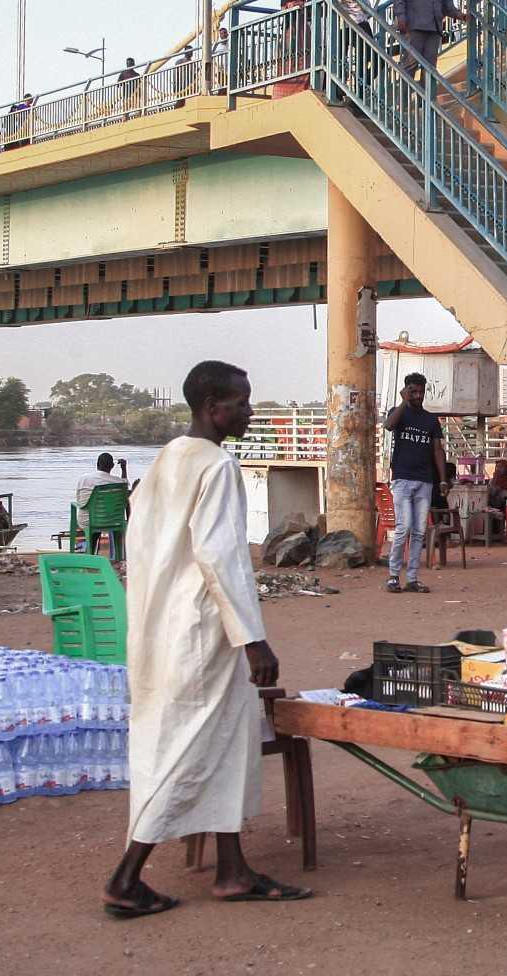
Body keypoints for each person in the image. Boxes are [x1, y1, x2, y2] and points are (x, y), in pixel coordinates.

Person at [105, 359, 306, 917]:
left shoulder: (167, 459)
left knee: (222, 742)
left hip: (161, 627)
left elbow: (142, 548)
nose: (249, 410)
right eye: (242, 402)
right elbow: (221, 558)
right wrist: (253, 640)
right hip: (202, 630)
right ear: (213, 408)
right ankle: (126, 877)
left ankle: (232, 869)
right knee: (188, 748)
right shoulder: (217, 466)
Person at [382, 372, 448, 594]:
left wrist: (443, 479)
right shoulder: (398, 413)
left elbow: (438, 450)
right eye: (413, 391)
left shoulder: (430, 419)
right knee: (404, 527)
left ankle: (412, 578)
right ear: (407, 391)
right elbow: (389, 426)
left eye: (420, 391)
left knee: (419, 531)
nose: (418, 396)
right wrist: (403, 402)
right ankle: (393, 576)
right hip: (402, 479)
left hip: (425, 481)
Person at [76, 452, 129, 554]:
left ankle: (86, 552)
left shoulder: (83, 479)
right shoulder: (119, 482)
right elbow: (125, 487)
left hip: (87, 521)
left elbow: (79, 501)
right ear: (112, 466)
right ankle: (118, 556)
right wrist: (124, 469)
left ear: (97, 464)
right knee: (103, 515)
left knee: (87, 517)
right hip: (112, 521)